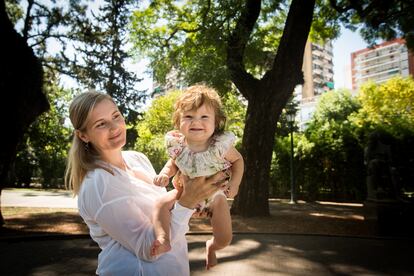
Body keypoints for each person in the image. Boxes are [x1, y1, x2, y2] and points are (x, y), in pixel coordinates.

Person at [64, 90, 227, 275]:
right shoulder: (98, 183)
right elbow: (148, 249)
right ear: (83, 135)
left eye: (116, 116)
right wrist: (187, 202)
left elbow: (167, 214)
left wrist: (196, 201)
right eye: (101, 124)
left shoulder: (137, 159)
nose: (114, 127)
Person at [151, 84, 244, 269]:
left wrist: (235, 183)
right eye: (188, 117)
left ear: (216, 122)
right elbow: (173, 163)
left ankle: (212, 247)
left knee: (225, 238)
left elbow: (238, 161)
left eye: (204, 117)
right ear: (178, 121)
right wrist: (164, 174)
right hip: (184, 193)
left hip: (215, 196)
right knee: (160, 203)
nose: (196, 122)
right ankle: (163, 238)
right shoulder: (178, 146)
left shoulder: (220, 146)